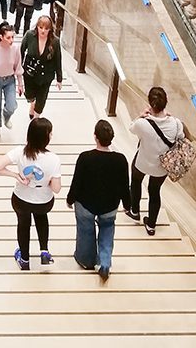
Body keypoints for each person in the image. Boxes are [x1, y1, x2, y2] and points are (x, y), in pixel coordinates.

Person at [0, 117, 62, 269]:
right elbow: (56, 189)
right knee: (41, 217)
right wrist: (47, 181)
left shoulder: (20, 152)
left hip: (21, 199)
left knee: (23, 224)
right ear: (46, 137)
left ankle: (24, 259)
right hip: (44, 202)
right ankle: (44, 251)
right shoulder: (54, 159)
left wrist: (16, 175)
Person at [68, 119, 130, 280]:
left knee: (85, 230)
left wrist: (70, 199)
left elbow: (77, 181)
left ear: (95, 137)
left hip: (85, 204)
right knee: (107, 230)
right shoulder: (121, 160)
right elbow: (125, 185)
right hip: (109, 205)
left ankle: (86, 260)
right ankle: (104, 261)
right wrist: (127, 205)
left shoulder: (85, 158)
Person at [127, 86, 184, 236]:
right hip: (161, 167)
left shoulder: (143, 123)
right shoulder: (176, 123)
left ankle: (135, 211)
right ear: (166, 102)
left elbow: (132, 128)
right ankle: (151, 225)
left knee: (136, 182)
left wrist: (140, 116)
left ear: (150, 104)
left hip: (143, 162)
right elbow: (181, 137)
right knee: (154, 192)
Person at [21, 14, 63, 117]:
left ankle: (36, 117)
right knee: (30, 94)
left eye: (46, 28)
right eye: (40, 28)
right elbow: (21, 51)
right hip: (30, 71)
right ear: (37, 27)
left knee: (42, 97)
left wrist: (59, 78)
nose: (43, 31)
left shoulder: (55, 41)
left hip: (46, 74)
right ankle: (32, 103)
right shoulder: (30, 35)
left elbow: (58, 59)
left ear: (50, 29)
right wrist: (18, 68)